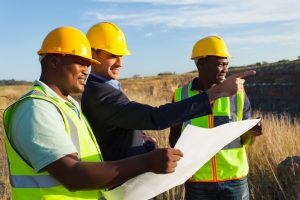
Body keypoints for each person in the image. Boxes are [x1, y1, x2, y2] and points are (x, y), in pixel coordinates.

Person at [2, 26, 184, 200]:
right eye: (81, 63)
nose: (86, 71)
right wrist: (147, 162)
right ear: (54, 61)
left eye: (88, 65)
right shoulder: (37, 108)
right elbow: (72, 175)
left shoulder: (68, 106)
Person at [81, 22, 256, 161]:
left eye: (122, 56)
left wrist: (142, 139)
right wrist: (215, 93)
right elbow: (154, 118)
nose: (120, 63)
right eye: (113, 55)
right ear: (93, 54)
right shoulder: (100, 94)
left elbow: (119, 123)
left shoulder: (105, 88)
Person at [169, 36, 263, 200]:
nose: (225, 69)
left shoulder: (239, 95)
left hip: (234, 179)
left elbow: (245, 140)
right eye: (220, 64)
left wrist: (252, 133)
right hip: (198, 181)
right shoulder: (181, 96)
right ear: (201, 64)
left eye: (226, 64)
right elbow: (174, 137)